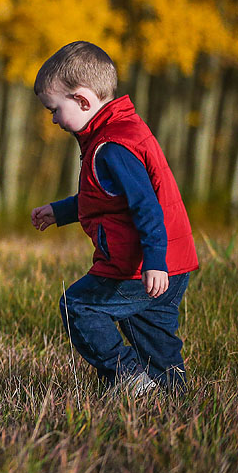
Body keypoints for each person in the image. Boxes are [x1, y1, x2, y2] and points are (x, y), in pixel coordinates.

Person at [30, 41, 198, 394]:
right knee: (153, 336)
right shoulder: (120, 131)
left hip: (139, 268)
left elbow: (146, 207)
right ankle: (172, 393)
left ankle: (127, 377)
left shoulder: (112, 147)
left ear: (82, 100)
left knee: (78, 306)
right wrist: (59, 212)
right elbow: (106, 199)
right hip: (171, 264)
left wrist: (153, 261)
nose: (53, 119)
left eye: (55, 109)